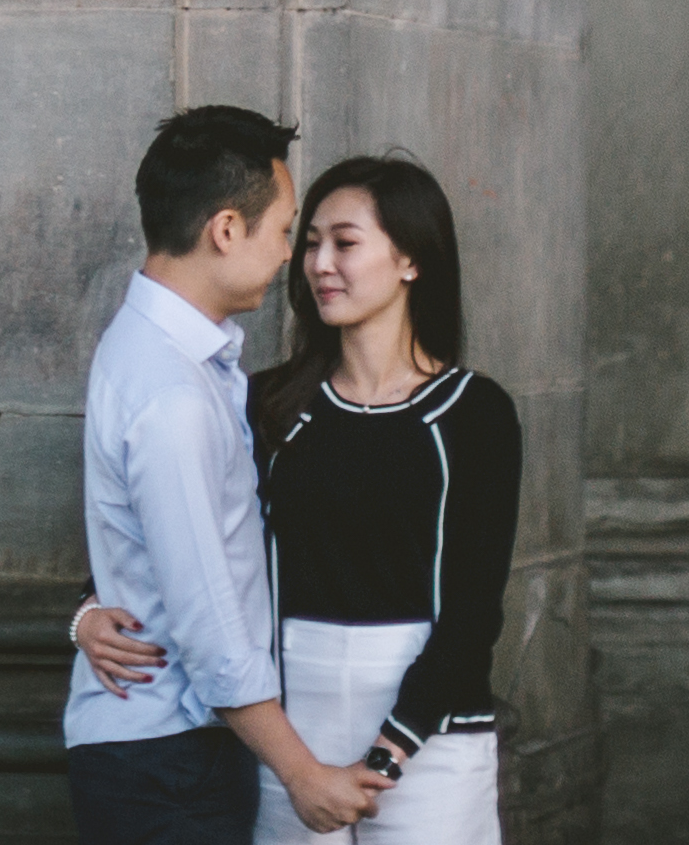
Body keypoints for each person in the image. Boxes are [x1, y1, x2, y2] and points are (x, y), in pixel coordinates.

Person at [75, 153, 521, 843]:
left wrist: (391, 750)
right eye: (308, 240)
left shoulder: (473, 413)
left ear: (411, 260)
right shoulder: (268, 403)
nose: (315, 263)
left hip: (432, 740)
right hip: (286, 733)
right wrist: (85, 611)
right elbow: (162, 533)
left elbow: (473, 606)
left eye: (344, 243)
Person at [66, 104, 387, 842]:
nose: (291, 259)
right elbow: (207, 616)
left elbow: (145, 545)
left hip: (159, 753)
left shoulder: (160, 355)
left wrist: (83, 611)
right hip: (169, 761)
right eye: (284, 232)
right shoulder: (172, 392)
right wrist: (302, 775)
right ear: (226, 230)